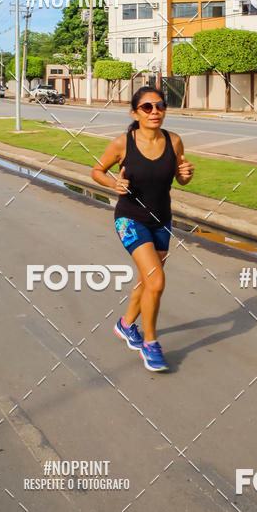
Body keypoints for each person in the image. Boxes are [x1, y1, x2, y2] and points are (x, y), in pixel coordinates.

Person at [91, 87, 194, 372]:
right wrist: (113, 184)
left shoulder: (174, 141)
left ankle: (125, 325)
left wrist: (185, 176)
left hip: (162, 220)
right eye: (147, 107)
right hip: (130, 220)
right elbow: (96, 171)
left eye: (159, 106)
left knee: (147, 280)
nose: (155, 112)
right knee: (156, 281)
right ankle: (150, 343)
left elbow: (179, 177)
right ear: (135, 112)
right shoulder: (122, 144)